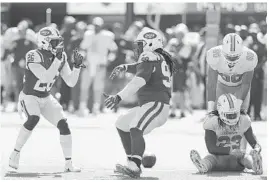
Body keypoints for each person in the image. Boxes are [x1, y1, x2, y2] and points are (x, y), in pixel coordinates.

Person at [9, 26, 85, 172]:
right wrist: (56, 61)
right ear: (44, 42)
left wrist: (77, 67)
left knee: (63, 124)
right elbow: (45, 77)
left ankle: (69, 163)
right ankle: (15, 153)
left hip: (45, 96)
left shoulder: (61, 57)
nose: (59, 45)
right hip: (29, 96)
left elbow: (70, 82)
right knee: (33, 118)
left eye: (58, 42)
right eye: (55, 42)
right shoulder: (33, 55)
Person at [104, 27, 176, 178]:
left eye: (141, 44)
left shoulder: (149, 56)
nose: (138, 48)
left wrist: (118, 97)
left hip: (156, 104)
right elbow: (141, 68)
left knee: (135, 127)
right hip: (151, 105)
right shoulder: (157, 57)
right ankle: (131, 161)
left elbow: (138, 81)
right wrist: (125, 67)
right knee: (122, 124)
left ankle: (135, 166)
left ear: (149, 43)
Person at [190, 93, 263, 175]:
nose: (232, 118)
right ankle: (204, 165)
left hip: (233, 161)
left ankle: (255, 166)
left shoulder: (244, 120)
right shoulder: (212, 122)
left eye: (234, 114)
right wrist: (232, 151)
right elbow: (211, 148)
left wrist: (256, 150)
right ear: (220, 112)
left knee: (244, 157)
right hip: (221, 159)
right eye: (229, 115)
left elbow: (254, 143)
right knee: (212, 158)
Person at [78, 17, 117, 116]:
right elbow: (82, 48)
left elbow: (114, 50)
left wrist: (109, 60)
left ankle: (96, 107)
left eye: (98, 26)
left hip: (100, 64)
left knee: (98, 87)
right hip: (88, 63)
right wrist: (82, 59)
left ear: (102, 26)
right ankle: (82, 107)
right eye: (95, 25)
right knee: (84, 86)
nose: (96, 27)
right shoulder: (88, 34)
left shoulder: (107, 36)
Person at [2, 20, 36, 111]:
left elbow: (34, 52)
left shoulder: (31, 39)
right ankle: (17, 104)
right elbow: (9, 51)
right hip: (16, 66)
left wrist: (27, 61)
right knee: (16, 85)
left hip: (27, 66)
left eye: (23, 30)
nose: (21, 32)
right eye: (20, 30)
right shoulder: (14, 40)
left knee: (27, 85)